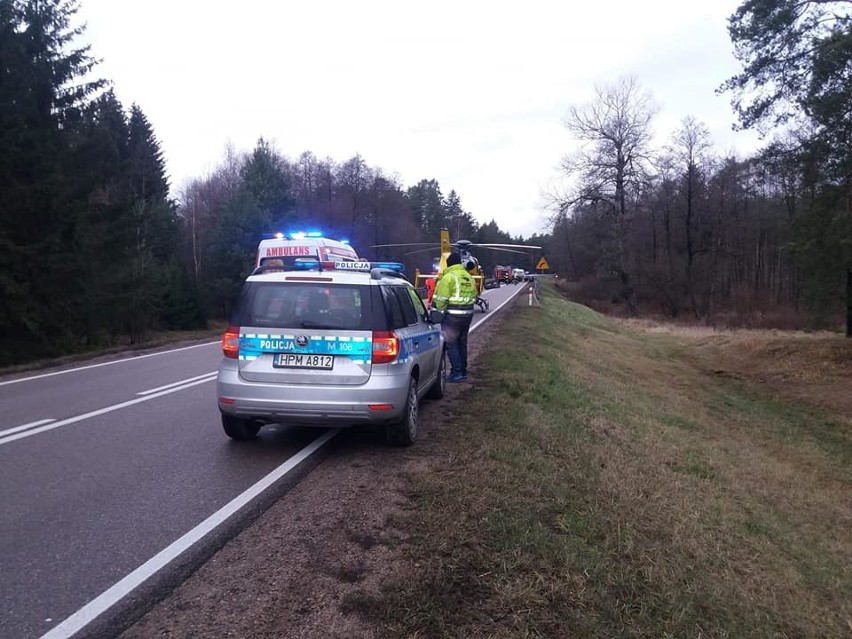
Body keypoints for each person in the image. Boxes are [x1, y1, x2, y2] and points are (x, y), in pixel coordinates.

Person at [432, 252, 478, 382]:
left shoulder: (448, 278)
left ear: (449, 263)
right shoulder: (468, 277)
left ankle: (456, 372)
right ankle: (463, 371)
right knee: (462, 343)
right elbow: (474, 296)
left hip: (452, 317)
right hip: (467, 316)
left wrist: (436, 313)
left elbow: (441, 299)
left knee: (451, 344)